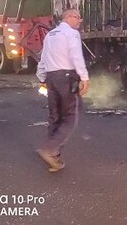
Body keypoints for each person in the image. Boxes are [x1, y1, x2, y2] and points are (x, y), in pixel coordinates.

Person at [35, 9, 89, 173]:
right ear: (69, 18)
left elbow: (43, 58)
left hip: (51, 78)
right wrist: (84, 77)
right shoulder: (71, 33)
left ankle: (53, 156)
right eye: (78, 18)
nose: (79, 21)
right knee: (72, 116)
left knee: (55, 116)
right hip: (66, 77)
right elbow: (76, 56)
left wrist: (42, 77)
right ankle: (50, 150)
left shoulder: (50, 35)